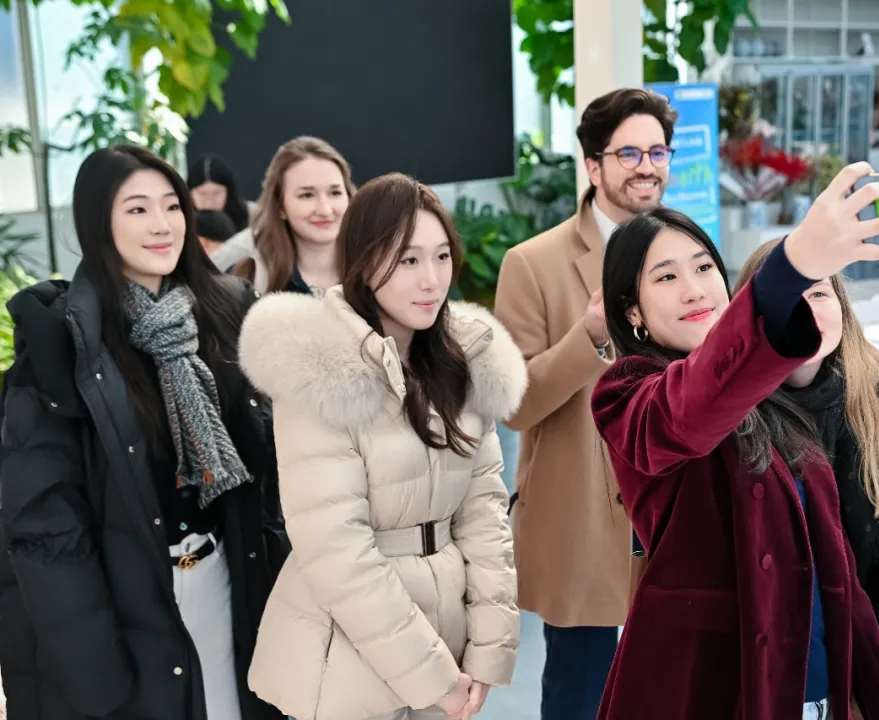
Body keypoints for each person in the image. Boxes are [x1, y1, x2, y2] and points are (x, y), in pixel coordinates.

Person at [590, 163, 879, 719]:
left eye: (704, 266)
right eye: (666, 277)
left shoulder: (768, 396)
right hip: (709, 689)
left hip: (810, 682)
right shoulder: (628, 396)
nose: (695, 289)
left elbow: (837, 573)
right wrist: (792, 266)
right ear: (634, 312)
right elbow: (693, 405)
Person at [0, 145, 288, 720]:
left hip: (227, 581)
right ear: (97, 222)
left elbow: (267, 476)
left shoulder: (224, 314)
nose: (162, 225)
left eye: (172, 206)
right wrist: (95, 675)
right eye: (137, 209)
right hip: (127, 607)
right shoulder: (63, 342)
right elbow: (47, 529)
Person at [240, 172, 524, 720]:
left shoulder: (462, 359)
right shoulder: (323, 370)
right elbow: (337, 550)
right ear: (365, 262)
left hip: (449, 642)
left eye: (442, 256)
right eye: (408, 260)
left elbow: (485, 515)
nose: (431, 279)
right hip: (347, 656)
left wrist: (489, 650)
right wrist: (432, 677)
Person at [493, 87, 677, 720]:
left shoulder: (685, 254)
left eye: (657, 152)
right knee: (580, 695)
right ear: (593, 166)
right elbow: (514, 404)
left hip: (673, 509)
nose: (647, 166)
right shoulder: (532, 263)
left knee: (675, 690)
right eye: (629, 153)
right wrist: (591, 337)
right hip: (583, 522)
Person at [735, 240, 879, 708]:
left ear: (842, 305)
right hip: (776, 675)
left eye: (819, 293)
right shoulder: (735, 421)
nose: (806, 310)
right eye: (787, 296)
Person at [225, 136, 354, 294]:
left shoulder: (373, 276)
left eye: (335, 193)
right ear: (280, 206)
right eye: (307, 195)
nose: (325, 210)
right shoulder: (248, 281)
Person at [187, 153, 252, 232]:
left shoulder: (251, 217)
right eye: (202, 194)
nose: (209, 202)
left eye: (216, 193)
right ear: (190, 194)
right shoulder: (181, 220)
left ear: (228, 192)